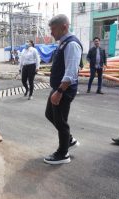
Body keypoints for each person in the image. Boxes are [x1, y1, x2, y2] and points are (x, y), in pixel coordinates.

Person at [43, 14, 82, 165]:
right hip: (58, 87)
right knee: (49, 114)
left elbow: (71, 72)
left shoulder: (71, 44)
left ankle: (63, 153)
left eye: (53, 29)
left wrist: (59, 92)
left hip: (63, 89)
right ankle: (69, 139)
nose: (51, 33)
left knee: (60, 121)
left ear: (64, 27)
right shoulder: (63, 43)